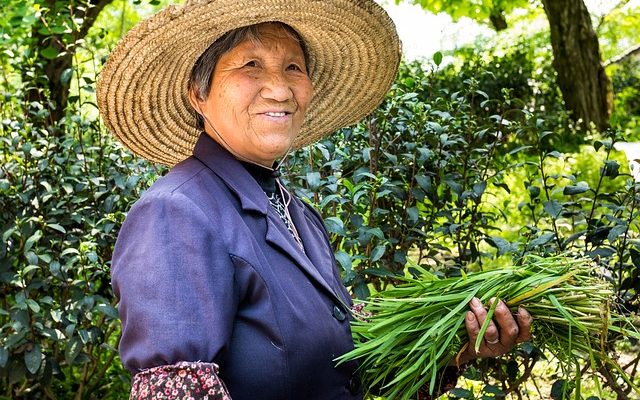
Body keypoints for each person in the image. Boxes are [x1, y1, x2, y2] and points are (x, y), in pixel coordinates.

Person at [96, 1, 532, 399]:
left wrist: (459, 343)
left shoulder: (296, 213)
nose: (280, 90)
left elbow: (349, 366)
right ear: (199, 93)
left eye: (293, 68)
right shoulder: (176, 212)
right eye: (251, 64)